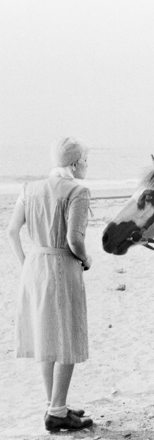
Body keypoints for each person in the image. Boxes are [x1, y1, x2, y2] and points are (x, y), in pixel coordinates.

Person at [6, 137, 94, 432]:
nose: (86, 165)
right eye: (85, 160)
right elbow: (74, 240)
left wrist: (25, 264)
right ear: (73, 163)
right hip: (61, 266)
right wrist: (88, 259)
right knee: (66, 338)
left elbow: (11, 231)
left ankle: (54, 403)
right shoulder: (78, 191)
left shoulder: (29, 189)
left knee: (46, 338)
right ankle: (57, 412)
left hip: (35, 267)